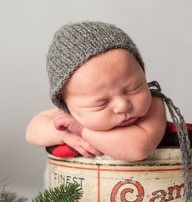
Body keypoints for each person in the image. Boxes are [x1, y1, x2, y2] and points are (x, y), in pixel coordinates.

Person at [25, 21, 166, 162]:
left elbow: (138, 148)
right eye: (101, 103)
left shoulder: (153, 105)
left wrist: (82, 130)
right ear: (67, 105)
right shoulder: (73, 115)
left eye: (133, 88)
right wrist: (63, 134)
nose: (122, 105)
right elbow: (32, 131)